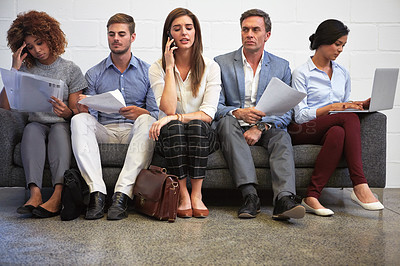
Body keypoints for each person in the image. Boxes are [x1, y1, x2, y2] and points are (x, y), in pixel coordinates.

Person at [214, 9, 305, 220]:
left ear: (268, 35)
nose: (249, 34)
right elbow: (215, 107)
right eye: (245, 29)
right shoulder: (222, 63)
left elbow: (287, 110)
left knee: (282, 136)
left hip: (266, 125)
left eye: (256, 29)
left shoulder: (281, 66)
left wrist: (260, 127)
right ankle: (250, 196)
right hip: (233, 123)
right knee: (226, 123)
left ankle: (284, 199)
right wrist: (238, 112)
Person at [288, 19, 384, 216]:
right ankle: (359, 184)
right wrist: (334, 107)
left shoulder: (342, 73)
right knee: (347, 119)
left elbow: (343, 104)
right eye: (337, 44)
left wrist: (357, 105)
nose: (340, 49)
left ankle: (312, 196)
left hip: (331, 126)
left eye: (343, 45)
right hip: (304, 129)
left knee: (338, 133)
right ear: (322, 41)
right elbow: (299, 115)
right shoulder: (301, 73)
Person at [70, 13, 158, 220]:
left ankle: (122, 195)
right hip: (105, 129)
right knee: (78, 120)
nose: (116, 38)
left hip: (134, 131)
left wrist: (140, 112)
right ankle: (97, 193)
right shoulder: (94, 73)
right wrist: (83, 109)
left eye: (121, 34)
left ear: (132, 37)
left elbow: (156, 114)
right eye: (111, 34)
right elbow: (90, 115)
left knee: (147, 120)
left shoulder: (150, 72)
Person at [0, 11, 86, 218]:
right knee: (31, 129)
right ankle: (35, 194)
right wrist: (14, 70)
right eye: (30, 46)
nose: (37, 50)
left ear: (51, 38)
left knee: (58, 132)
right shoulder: (25, 69)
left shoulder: (70, 70)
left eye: (40, 43)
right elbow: (4, 108)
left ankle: (57, 196)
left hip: (60, 123)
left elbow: (76, 112)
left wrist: (66, 112)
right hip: (36, 123)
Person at [149, 8, 221, 218]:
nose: (184, 33)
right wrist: (169, 68)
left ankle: (197, 195)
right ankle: (183, 195)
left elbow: (207, 115)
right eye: (177, 29)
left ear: (196, 32)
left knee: (197, 125)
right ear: (169, 35)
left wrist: (176, 117)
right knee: (173, 126)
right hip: (171, 137)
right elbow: (169, 109)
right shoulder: (157, 68)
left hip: (202, 136)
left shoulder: (211, 67)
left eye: (189, 28)